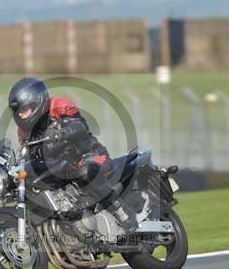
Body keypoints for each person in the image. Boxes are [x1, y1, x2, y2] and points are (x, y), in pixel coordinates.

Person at [8, 77, 137, 231]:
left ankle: (121, 212)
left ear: (38, 101)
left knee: (86, 172)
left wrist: (62, 132)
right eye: (18, 112)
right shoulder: (23, 132)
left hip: (89, 155)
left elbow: (79, 126)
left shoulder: (59, 105)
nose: (21, 115)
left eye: (25, 110)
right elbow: (28, 155)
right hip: (62, 168)